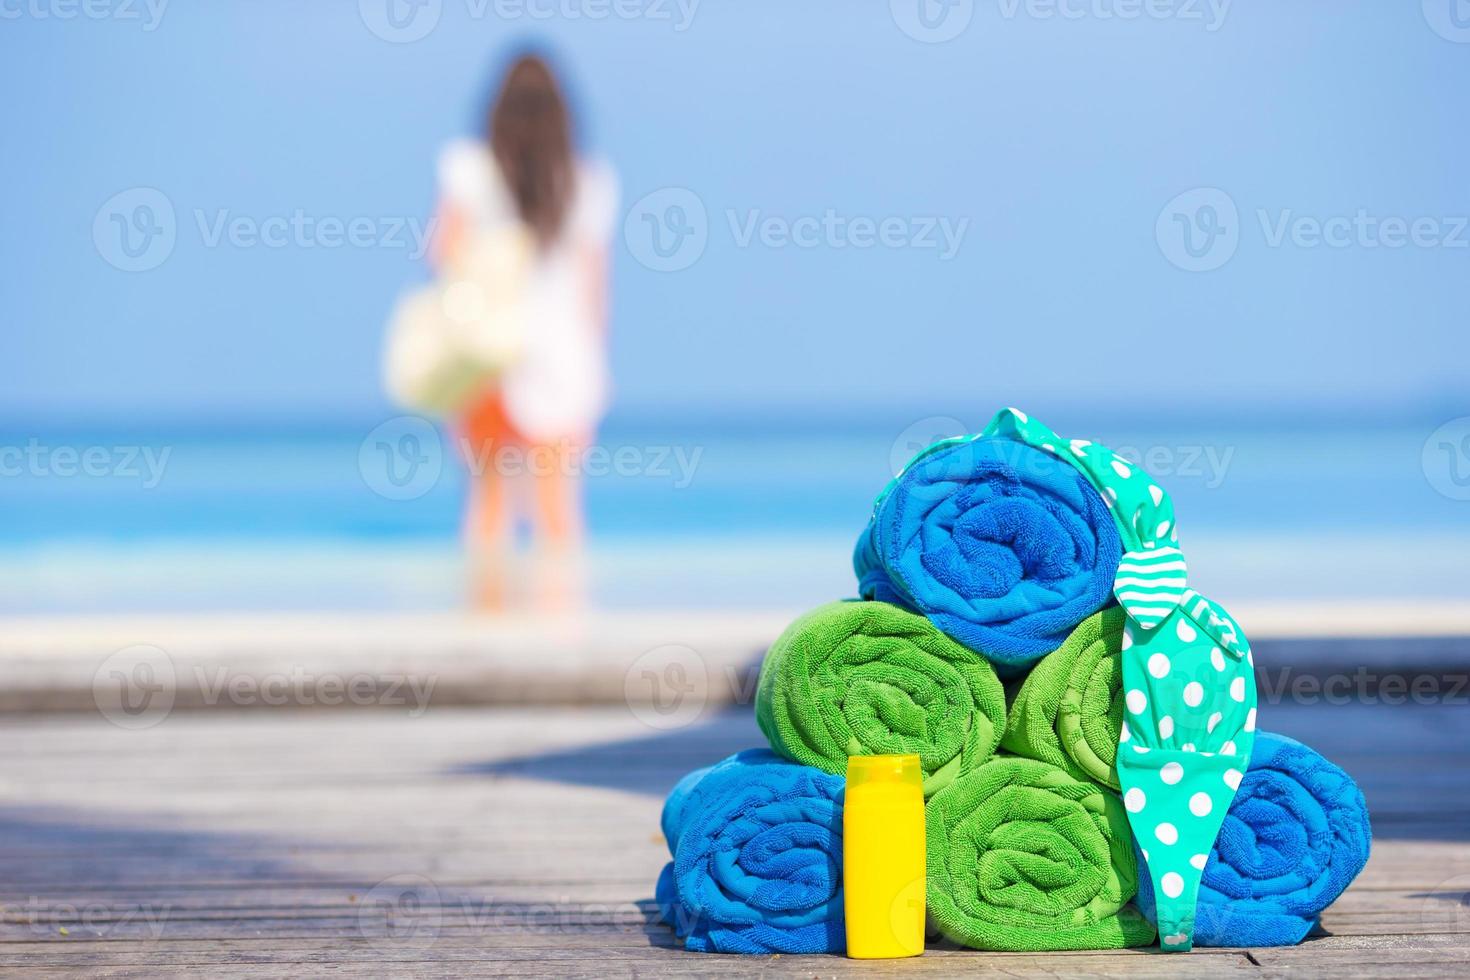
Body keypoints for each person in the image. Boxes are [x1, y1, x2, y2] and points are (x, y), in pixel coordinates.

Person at [431, 53, 616, 582]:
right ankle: (563, 632)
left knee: (488, 503)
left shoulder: (469, 169)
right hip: (564, 353)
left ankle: (482, 631)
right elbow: (595, 289)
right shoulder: (586, 181)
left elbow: (444, 253)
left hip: (490, 347)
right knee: (559, 510)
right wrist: (593, 366)